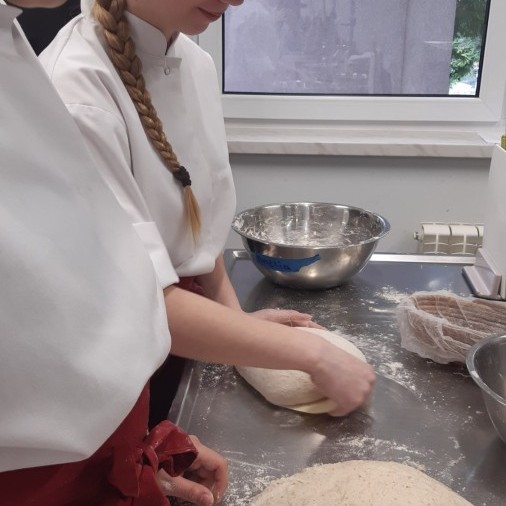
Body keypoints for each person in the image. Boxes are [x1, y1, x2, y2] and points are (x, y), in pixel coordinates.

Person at [40, 0, 375, 429]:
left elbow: (194, 223)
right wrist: (312, 354)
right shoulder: (75, 89)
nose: (236, 1)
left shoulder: (194, 62)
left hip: (175, 335)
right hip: (103, 375)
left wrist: (234, 324)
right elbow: (132, 300)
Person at [0, 1, 228, 505]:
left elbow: (65, 329)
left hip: (99, 444)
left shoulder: (10, 51)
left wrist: (137, 452)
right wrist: (303, 355)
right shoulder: (71, 82)